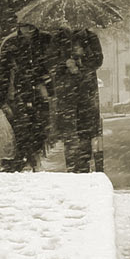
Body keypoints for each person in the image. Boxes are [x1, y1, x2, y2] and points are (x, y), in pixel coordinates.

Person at [0, 21, 53, 172]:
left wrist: (47, 84)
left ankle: (33, 157)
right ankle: (25, 160)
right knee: (21, 128)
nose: (29, 30)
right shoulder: (10, 43)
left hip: (40, 93)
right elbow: (2, 73)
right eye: (26, 26)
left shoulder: (46, 40)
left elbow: (52, 66)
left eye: (31, 26)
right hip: (18, 93)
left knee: (40, 126)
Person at [52, 27, 103, 173]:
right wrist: (65, 64)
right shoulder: (58, 38)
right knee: (69, 131)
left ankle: (83, 164)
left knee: (85, 131)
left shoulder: (90, 37)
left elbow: (98, 60)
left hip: (86, 91)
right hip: (66, 93)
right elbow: (50, 62)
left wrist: (80, 61)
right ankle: (72, 165)